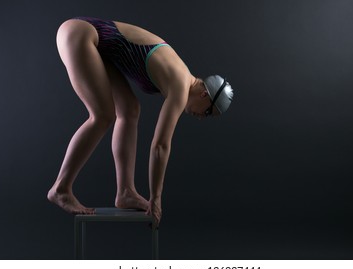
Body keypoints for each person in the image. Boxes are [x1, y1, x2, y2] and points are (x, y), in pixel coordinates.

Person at [47, 16, 234, 226]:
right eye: (208, 112)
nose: (202, 117)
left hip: (96, 44)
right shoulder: (180, 86)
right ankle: (61, 188)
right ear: (205, 95)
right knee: (102, 115)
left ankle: (125, 191)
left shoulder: (180, 78)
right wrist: (156, 199)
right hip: (81, 33)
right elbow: (160, 146)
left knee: (130, 109)